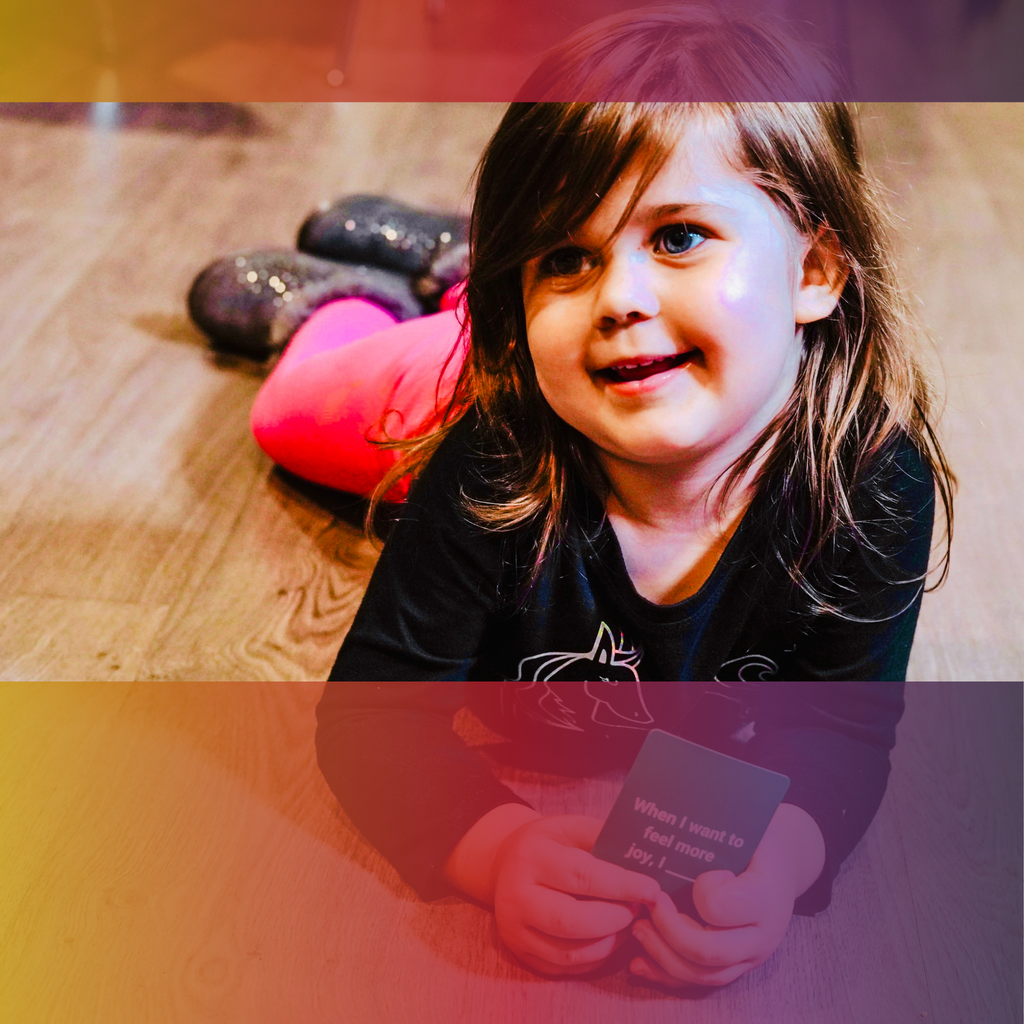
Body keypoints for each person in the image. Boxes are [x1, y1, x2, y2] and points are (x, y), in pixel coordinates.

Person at [255, 2, 958, 987]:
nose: (620, 294)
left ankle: (457, 260)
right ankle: (342, 299)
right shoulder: (492, 458)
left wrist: (779, 864)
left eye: (678, 236)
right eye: (565, 254)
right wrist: (493, 848)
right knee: (287, 414)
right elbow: (374, 720)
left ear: (814, 268)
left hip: (579, 362)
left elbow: (839, 736)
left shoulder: (870, 485)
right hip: (436, 383)